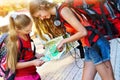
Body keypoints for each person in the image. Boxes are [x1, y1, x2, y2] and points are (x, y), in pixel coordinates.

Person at [29, 0, 115, 80]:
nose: (41, 18)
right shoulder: (59, 13)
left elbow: (83, 32)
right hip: (89, 46)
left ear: (42, 6)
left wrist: (63, 41)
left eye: (40, 15)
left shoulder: (63, 11)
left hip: (95, 43)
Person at [6, 13, 45, 80]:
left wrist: (37, 55)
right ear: (17, 29)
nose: (30, 31)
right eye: (27, 30)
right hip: (23, 77)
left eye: (31, 28)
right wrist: (32, 62)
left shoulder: (26, 35)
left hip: (33, 74)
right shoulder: (16, 42)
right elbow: (11, 64)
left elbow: (25, 51)